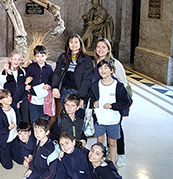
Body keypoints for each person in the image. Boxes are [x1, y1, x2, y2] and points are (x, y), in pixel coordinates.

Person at [93, 38, 128, 167]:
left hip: (114, 105)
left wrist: (116, 104)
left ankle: (121, 153)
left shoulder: (115, 63)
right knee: (102, 131)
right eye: (98, 47)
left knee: (116, 130)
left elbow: (123, 84)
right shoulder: (95, 63)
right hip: (100, 107)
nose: (100, 49)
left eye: (103, 47)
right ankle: (105, 154)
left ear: (108, 49)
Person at [52, 34, 93, 108]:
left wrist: (82, 97)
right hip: (65, 91)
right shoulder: (63, 57)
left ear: (80, 44)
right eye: (71, 42)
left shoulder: (86, 59)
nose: (74, 44)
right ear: (68, 44)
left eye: (76, 42)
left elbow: (86, 79)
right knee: (65, 115)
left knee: (78, 117)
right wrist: (54, 87)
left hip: (78, 93)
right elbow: (57, 73)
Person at [0, 89, 23, 169]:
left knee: (21, 161)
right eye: (6, 97)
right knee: (8, 166)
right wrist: (8, 128)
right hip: (4, 141)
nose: (9, 98)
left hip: (13, 138)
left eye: (9, 96)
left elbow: (18, 118)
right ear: (0, 100)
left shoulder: (13, 107)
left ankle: (10, 152)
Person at [26, 45, 54, 124]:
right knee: (33, 120)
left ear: (46, 56)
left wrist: (48, 85)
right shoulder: (31, 67)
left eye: (42, 56)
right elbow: (27, 79)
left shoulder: (49, 68)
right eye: (37, 56)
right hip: (33, 98)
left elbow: (51, 80)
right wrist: (28, 84)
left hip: (45, 98)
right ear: (34, 57)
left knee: (44, 120)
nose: (40, 58)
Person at [2, 50, 29, 122]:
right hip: (12, 99)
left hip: (23, 98)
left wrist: (26, 63)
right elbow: (5, 85)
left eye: (19, 59)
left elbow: (26, 81)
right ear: (10, 59)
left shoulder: (22, 70)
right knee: (15, 120)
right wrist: (7, 70)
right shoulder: (5, 72)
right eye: (14, 59)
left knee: (25, 119)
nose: (16, 61)